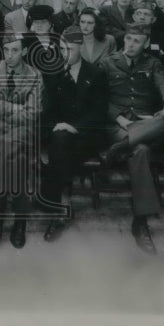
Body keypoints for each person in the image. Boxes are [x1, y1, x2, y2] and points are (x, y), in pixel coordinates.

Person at [98, 24, 164, 254]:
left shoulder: (152, 63)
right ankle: (141, 223)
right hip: (118, 126)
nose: (131, 44)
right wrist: (120, 119)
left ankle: (118, 150)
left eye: (137, 41)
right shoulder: (107, 62)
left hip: (145, 123)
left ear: (145, 44)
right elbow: (97, 98)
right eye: (129, 39)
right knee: (142, 150)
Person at [42, 27, 109, 242]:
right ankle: (62, 206)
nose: (65, 53)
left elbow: (99, 112)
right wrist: (56, 126)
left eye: (69, 48)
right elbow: (46, 110)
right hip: (59, 134)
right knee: (60, 142)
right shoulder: (53, 73)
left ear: (80, 47)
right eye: (62, 48)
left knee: (61, 147)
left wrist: (75, 127)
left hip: (85, 136)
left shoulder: (96, 73)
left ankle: (54, 199)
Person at [0, 30, 43, 249]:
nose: (9, 55)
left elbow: (34, 111)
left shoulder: (35, 75)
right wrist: (17, 107)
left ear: (24, 51)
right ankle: (20, 220)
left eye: (15, 50)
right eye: (6, 50)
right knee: (15, 157)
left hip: (23, 131)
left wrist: (6, 109)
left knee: (12, 150)